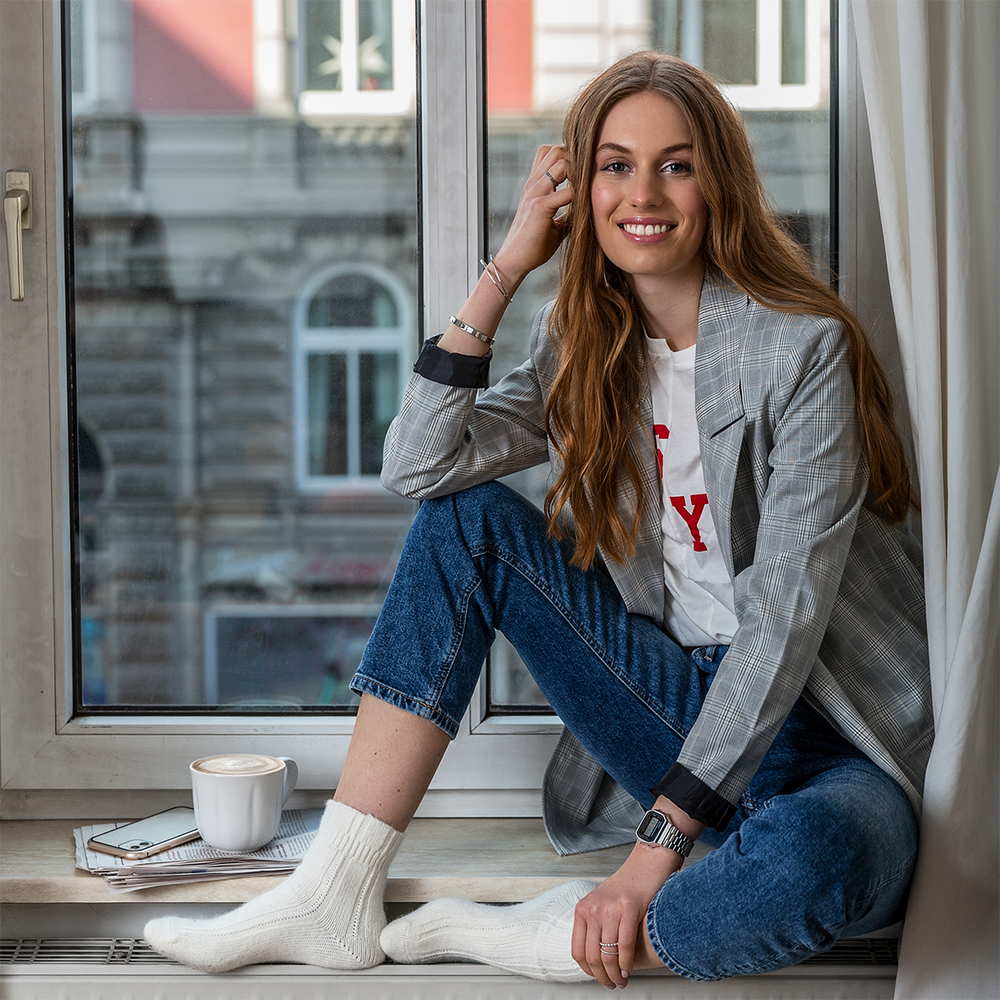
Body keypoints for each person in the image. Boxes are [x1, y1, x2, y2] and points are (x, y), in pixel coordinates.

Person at [144, 52, 932, 988]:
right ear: (582, 190)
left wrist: (648, 856)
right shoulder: (584, 345)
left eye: (676, 165)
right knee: (466, 521)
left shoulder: (802, 350)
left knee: (817, 867)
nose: (644, 194)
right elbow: (419, 466)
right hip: (672, 710)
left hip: (828, 744)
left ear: (718, 184)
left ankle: (557, 936)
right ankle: (335, 890)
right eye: (616, 165)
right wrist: (509, 264)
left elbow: (780, 627)